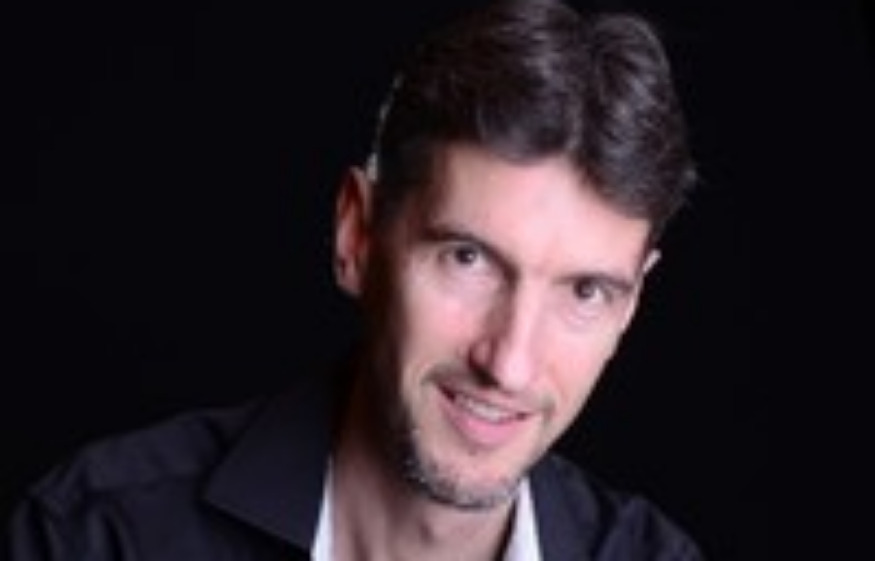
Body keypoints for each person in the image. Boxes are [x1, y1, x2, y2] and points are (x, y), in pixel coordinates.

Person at [6, 0, 704, 558]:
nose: (509, 364)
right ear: (357, 235)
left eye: (584, 291)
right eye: (467, 258)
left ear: (631, 305)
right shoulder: (97, 537)